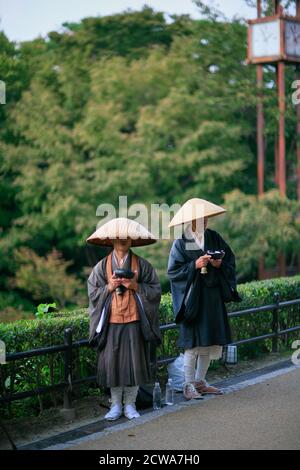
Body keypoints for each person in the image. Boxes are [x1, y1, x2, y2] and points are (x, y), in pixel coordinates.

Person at [87, 217, 161, 420]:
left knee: (134, 364)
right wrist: (109, 287)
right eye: (118, 236)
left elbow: (155, 291)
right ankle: (115, 405)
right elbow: (93, 293)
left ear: (132, 240)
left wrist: (135, 286)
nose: (122, 239)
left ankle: (130, 404)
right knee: (113, 365)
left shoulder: (142, 266)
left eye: (127, 236)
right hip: (111, 322)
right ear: (111, 239)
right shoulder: (102, 267)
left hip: (134, 320)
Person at [167, 198, 241, 400]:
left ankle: (200, 381)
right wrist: (195, 265)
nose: (204, 221)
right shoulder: (181, 243)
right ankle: (188, 385)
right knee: (192, 345)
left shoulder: (214, 237)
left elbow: (230, 260)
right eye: (200, 218)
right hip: (193, 301)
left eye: (206, 217)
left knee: (209, 342)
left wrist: (219, 265)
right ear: (190, 220)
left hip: (213, 297)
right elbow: (173, 273)